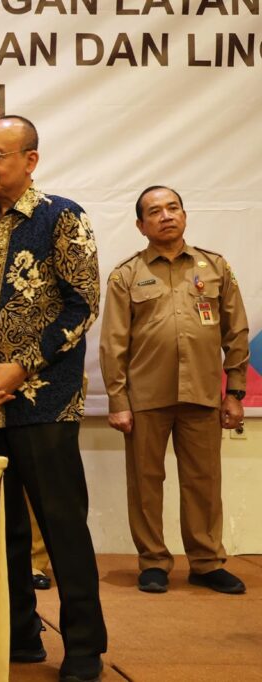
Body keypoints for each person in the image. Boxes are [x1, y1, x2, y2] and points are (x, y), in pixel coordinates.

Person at [0, 116, 107, 682]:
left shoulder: (64, 217)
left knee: (62, 524)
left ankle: (84, 647)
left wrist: (22, 367)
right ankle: (20, 634)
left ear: (30, 160)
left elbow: (82, 306)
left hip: (44, 402)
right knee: (0, 529)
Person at [100, 186, 249, 595]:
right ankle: (153, 562)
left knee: (204, 482)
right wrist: (118, 400)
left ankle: (205, 561)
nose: (166, 216)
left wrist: (234, 391)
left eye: (173, 208)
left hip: (202, 394)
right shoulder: (126, 274)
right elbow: (113, 343)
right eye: (155, 211)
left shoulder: (215, 267)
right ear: (140, 225)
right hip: (146, 398)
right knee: (146, 482)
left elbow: (236, 333)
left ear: (184, 215)